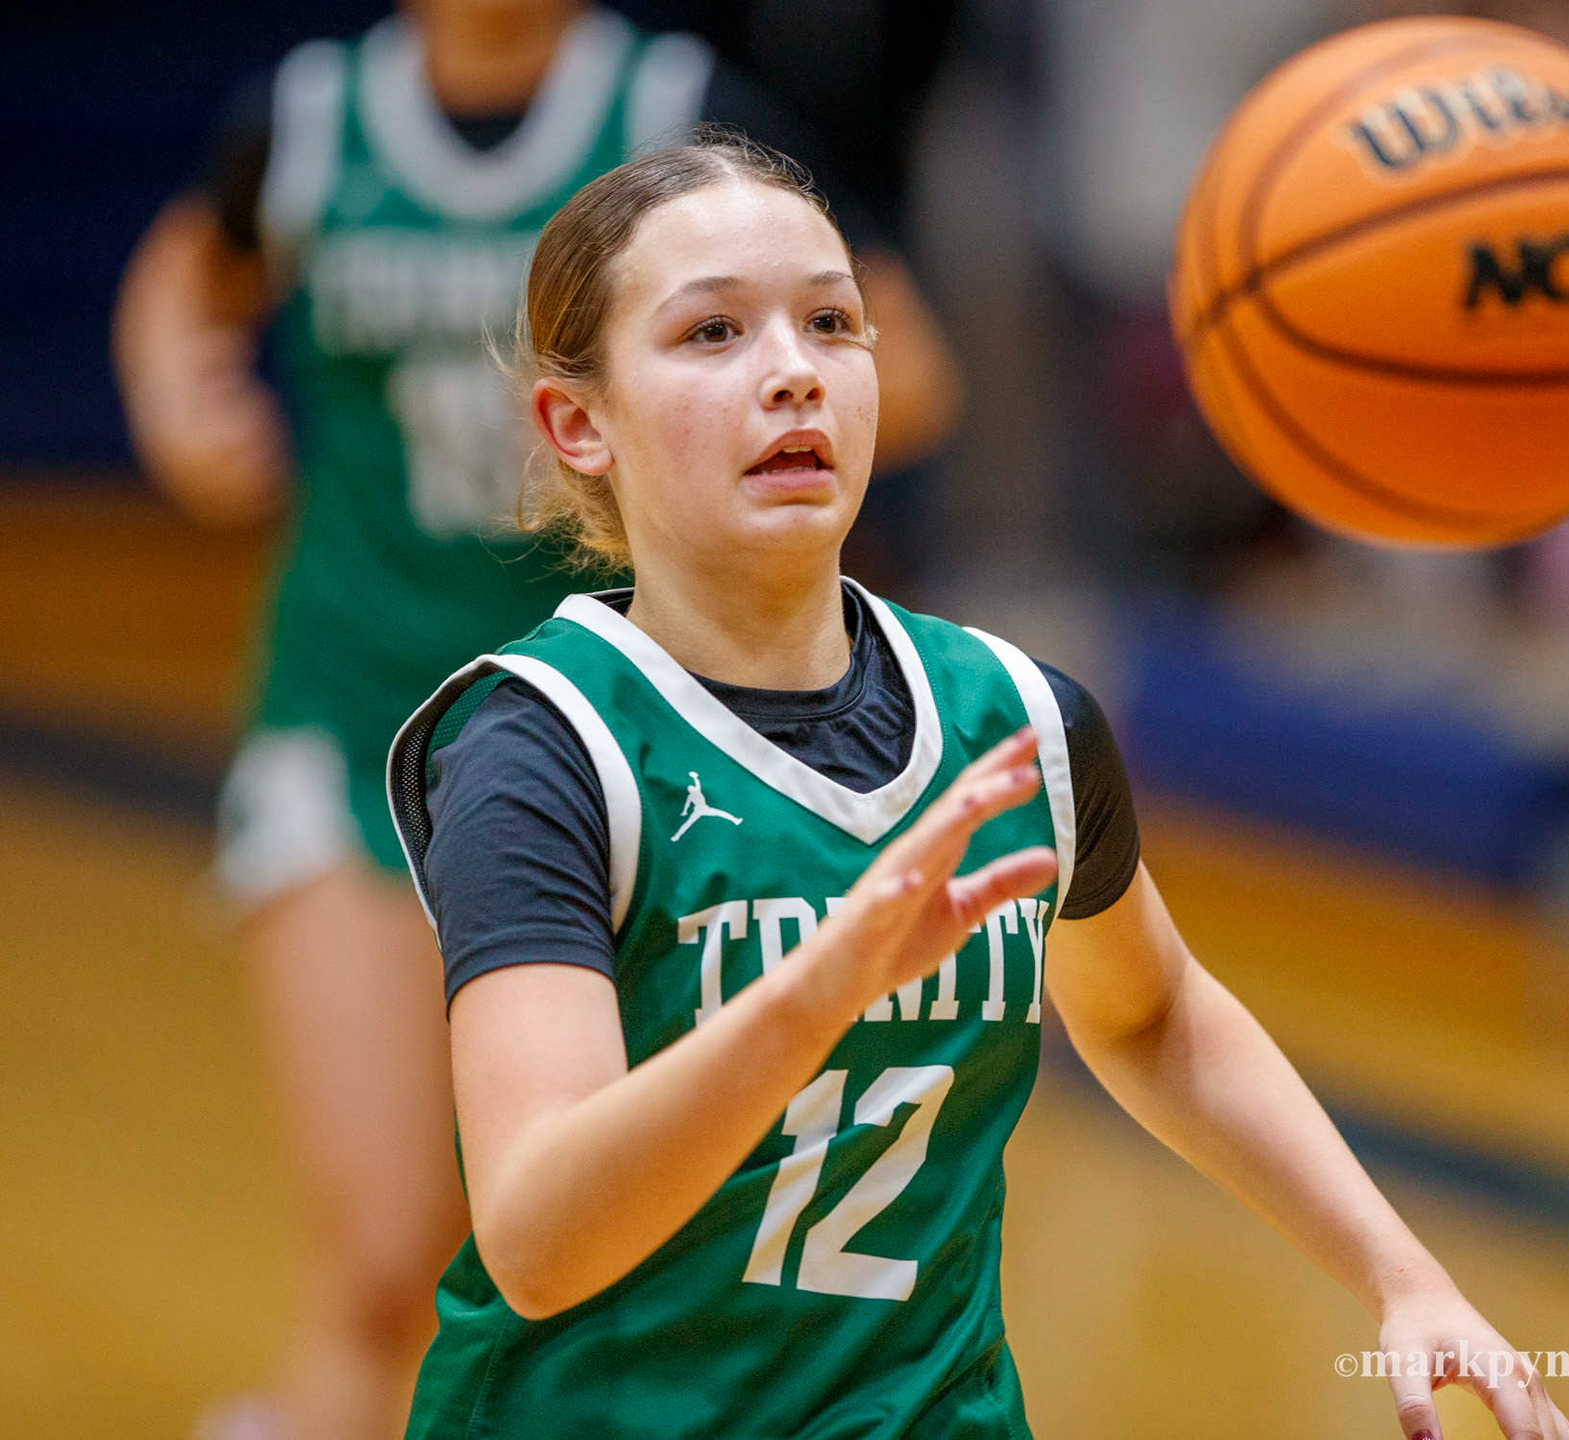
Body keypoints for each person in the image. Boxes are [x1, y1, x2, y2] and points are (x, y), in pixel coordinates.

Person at [385, 135, 1569, 1439]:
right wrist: (818, 991)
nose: (793, 372)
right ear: (580, 422)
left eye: (832, 322)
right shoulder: (540, 747)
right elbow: (538, 1236)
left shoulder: (1018, 722)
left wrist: (1404, 1278)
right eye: (713, 332)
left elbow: (1152, 1017)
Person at [110, 4, 958, 1436]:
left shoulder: (683, 114)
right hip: (351, 713)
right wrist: (175, 389)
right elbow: (192, 267)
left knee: (567, 1261)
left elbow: (911, 370)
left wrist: (727, 411)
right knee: (387, 1258)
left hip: (623, 751)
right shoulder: (309, 121)